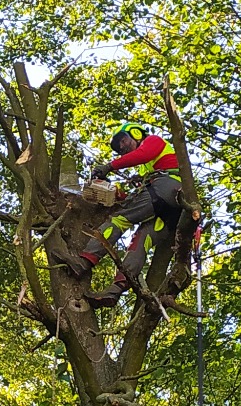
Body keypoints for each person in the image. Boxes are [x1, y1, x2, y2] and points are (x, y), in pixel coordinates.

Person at [78, 120, 186, 303]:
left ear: (135, 133)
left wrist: (109, 167)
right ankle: (115, 290)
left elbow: (142, 155)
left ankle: (85, 260)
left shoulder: (153, 141)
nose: (122, 147)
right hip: (174, 211)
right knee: (142, 238)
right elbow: (144, 202)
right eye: (119, 147)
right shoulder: (149, 169)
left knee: (119, 219)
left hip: (167, 188)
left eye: (123, 141)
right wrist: (119, 194)